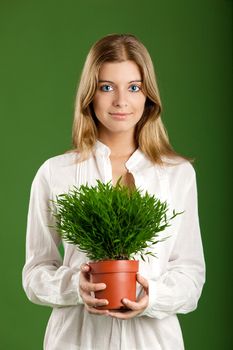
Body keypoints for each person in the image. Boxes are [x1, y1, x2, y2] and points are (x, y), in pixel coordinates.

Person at [22, 33, 205, 350]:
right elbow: (35, 274)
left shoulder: (178, 174)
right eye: (107, 87)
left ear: (148, 96)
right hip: (75, 340)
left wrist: (153, 296)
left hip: (154, 341)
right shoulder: (54, 173)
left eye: (134, 87)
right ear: (90, 95)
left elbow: (190, 275)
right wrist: (74, 287)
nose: (121, 101)